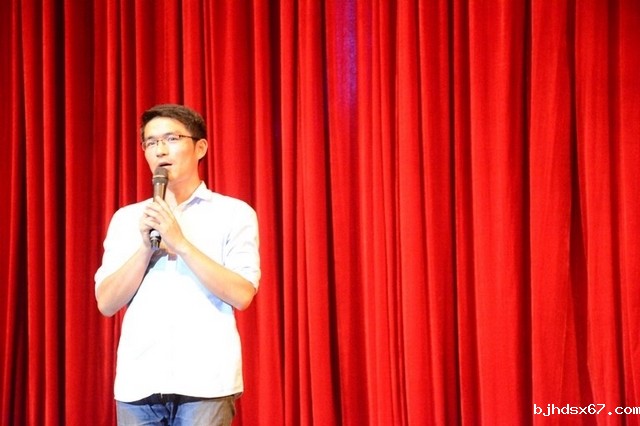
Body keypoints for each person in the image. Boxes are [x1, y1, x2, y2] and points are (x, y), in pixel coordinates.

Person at [94, 104, 260, 425]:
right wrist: (145, 248)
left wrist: (181, 244)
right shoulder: (128, 219)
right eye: (151, 142)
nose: (160, 150)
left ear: (200, 148)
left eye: (171, 139)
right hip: (138, 383)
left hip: (206, 384)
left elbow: (242, 294)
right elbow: (106, 302)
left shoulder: (233, 213)